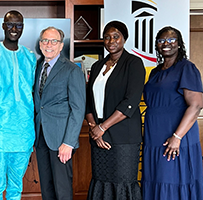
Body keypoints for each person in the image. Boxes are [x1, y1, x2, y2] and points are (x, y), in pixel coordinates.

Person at [85, 21, 145, 200]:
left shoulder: (133, 63)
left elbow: (131, 102)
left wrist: (102, 128)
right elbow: (89, 101)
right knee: (101, 180)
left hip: (123, 136)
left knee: (122, 182)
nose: (111, 41)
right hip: (99, 137)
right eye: (107, 37)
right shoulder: (97, 66)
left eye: (116, 36)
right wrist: (95, 128)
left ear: (124, 39)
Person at [142, 26, 203, 200]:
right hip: (154, 138)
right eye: (161, 41)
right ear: (157, 45)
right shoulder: (155, 72)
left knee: (172, 180)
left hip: (175, 138)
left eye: (171, 40)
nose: (166, 44)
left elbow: (196, 105)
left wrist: (177, 137)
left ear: (179, 44)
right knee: (155, 180)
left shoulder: (187, 68)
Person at [0, 10, 36, 199]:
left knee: (16, 185)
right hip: (0, 130)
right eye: (10, 24)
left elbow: (33, 95)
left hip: (24, 131)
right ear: (3, 26)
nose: (14, 29)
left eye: (18, 25)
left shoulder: (30, 57)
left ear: (23, 27)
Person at [34, 26, 85, 200]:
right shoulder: (39, 67)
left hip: (62, 142)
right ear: (40, 44)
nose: (49, 44)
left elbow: (78, 109)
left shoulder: (72, 70)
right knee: (47, 190)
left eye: (53, 41)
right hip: (41, 138)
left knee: (62, 191)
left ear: (61, 45)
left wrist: (69, 143)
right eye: (45, 40)